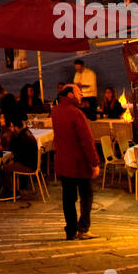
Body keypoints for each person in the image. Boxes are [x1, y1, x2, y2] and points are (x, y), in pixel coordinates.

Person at [51, 84, 99, 240]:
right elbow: (86, 140)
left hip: (63, 162)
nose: (81, 95)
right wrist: (95, 162)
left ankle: (70, 230)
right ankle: (83, 228)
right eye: (78, 92)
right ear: (71, 95)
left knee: (68, 198)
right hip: (79, 163)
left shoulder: (55, 111)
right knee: (86, 195)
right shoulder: (77, 114)